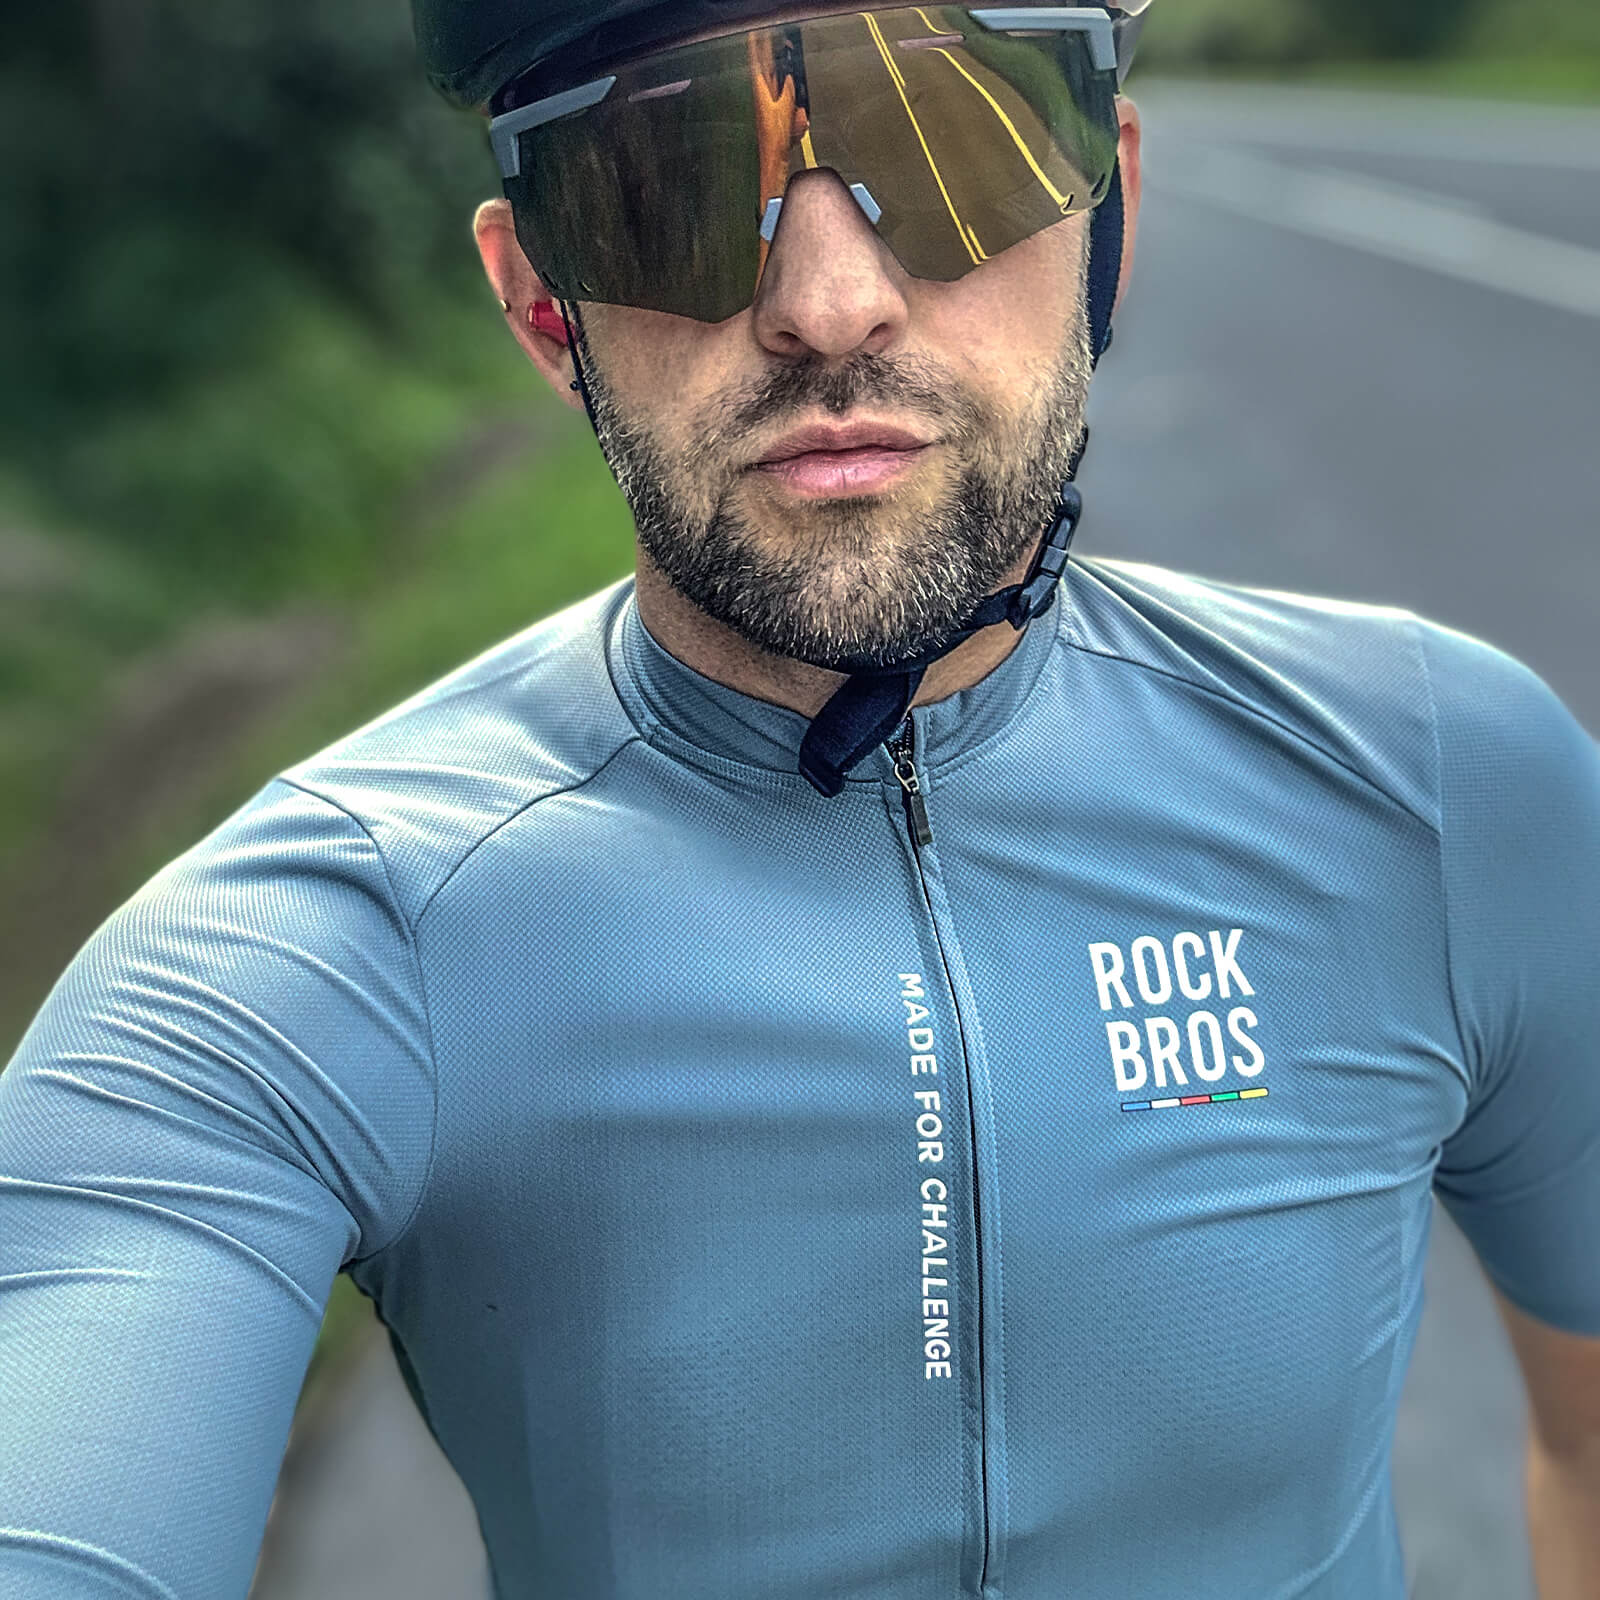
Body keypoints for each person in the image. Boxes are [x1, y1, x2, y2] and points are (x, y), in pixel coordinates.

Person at [1, 1, 1598, 1595]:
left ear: (1106, 210)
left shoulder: (1446, 784)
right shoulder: (306, 962)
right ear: (543, 304)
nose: (831, 307)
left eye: (952, 145)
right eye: (678, 181)